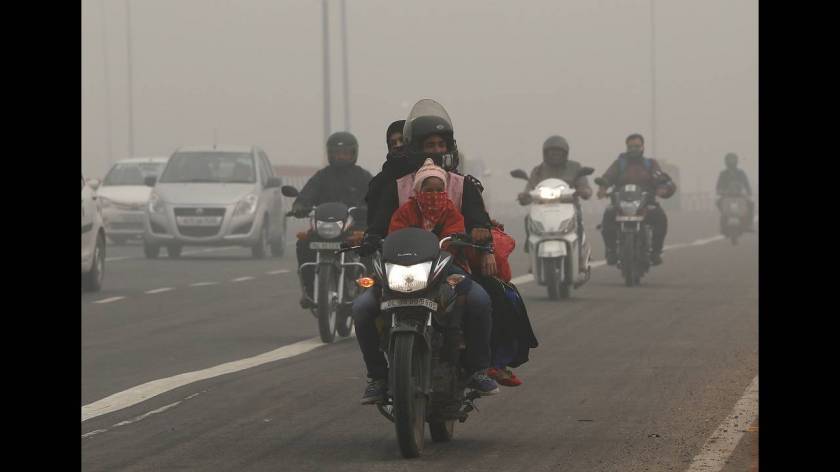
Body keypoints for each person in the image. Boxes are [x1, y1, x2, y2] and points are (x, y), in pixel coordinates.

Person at [354, 103, 500, 403]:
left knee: (480, 301)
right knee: (362, 308)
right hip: (399, 269)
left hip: (448, 269)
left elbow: (478, 221)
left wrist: (479, 234)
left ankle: (477, 370)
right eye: (428, 145)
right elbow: (379, 224)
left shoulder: (463, 185)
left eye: (441, 144)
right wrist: (371, 238)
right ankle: (378, 377)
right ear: (414, 148)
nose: (435, 150)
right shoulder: (396, 187)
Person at [292, 131, 373, 307]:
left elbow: (376, 197)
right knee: (303, 243)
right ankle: (309, 290)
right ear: (329, 154)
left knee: (370, 245)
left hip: (354, 227)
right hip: (325, 228)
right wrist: (299, 205)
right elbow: (307, 194)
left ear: (354, 153)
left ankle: (369, 289)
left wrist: (371, 208)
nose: (341, 156)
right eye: (337, 153)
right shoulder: (322, 176)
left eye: (345, 153)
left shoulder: (363, 177)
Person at [596, 133, 676, 266]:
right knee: (608, 216)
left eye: (637, 146)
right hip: (620, 204)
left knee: (660, 218)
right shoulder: (619, 163)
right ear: (626, 147)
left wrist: (662, 188)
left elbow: (659, 177)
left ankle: (656, 252)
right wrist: (602, 187)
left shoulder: (650, 164)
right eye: (631, 147)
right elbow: (608, 177)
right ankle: (611, 251)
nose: (634, 149)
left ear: (643, 147)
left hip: (646, 204)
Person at [518, 135, 593, 254]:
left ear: (565, 153)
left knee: (578, 217)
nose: (555, 155)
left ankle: (579, 250)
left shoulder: (575, 167)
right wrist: (524, 196)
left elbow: (584, 185)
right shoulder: (538, 170)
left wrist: (584, 191)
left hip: (569, 206)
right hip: (542, 207)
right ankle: (530, 244)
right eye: (552, 152)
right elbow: (529, 188)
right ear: (545, 153)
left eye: (558, 152)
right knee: (528, 218)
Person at [716, 152, 754, 231]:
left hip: (740, 195)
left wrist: (749, 191)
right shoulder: (723, 174)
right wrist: (720, 191)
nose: (731, 162)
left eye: (733, 160)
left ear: (736, 161)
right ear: (726, 162)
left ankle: (749, 224)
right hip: (726, 195)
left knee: (750, 204)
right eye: (729, 160)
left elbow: (746, 184)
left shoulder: (741, 173)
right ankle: (724, 219)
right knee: (718, 202)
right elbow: (718, 186)